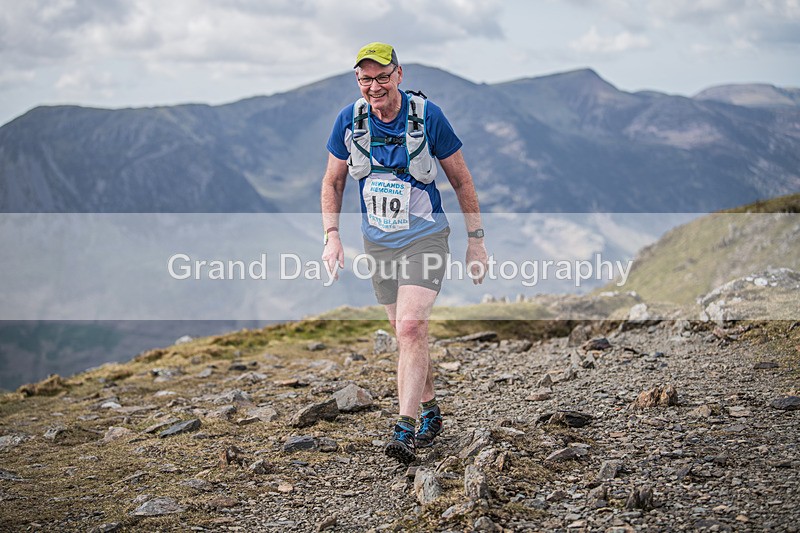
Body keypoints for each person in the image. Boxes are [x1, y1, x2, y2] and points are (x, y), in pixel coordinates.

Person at [321, 42, 488, 464]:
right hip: (378, 241)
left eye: (381, 76)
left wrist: (476, 240)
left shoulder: (428, 116)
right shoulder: (349, 120)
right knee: (404, 332)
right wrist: (332, 236)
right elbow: (333, 182)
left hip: (425, 236)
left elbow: (462, 181)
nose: (373, 86)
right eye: (364, 78)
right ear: (357, 80)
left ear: (399, 74)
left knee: (411, 328)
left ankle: (405, 428)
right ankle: (430, 409)